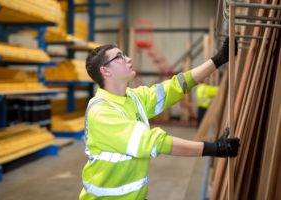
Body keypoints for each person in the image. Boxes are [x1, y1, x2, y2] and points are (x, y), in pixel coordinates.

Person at [80, 37, 240, 199]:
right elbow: (154, 142)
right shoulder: (101, 112)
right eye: (119, 57)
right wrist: (214, 148)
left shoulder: (133, 98)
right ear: (105, 71)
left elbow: (175, 86)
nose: (128, 59)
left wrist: (217, 61)